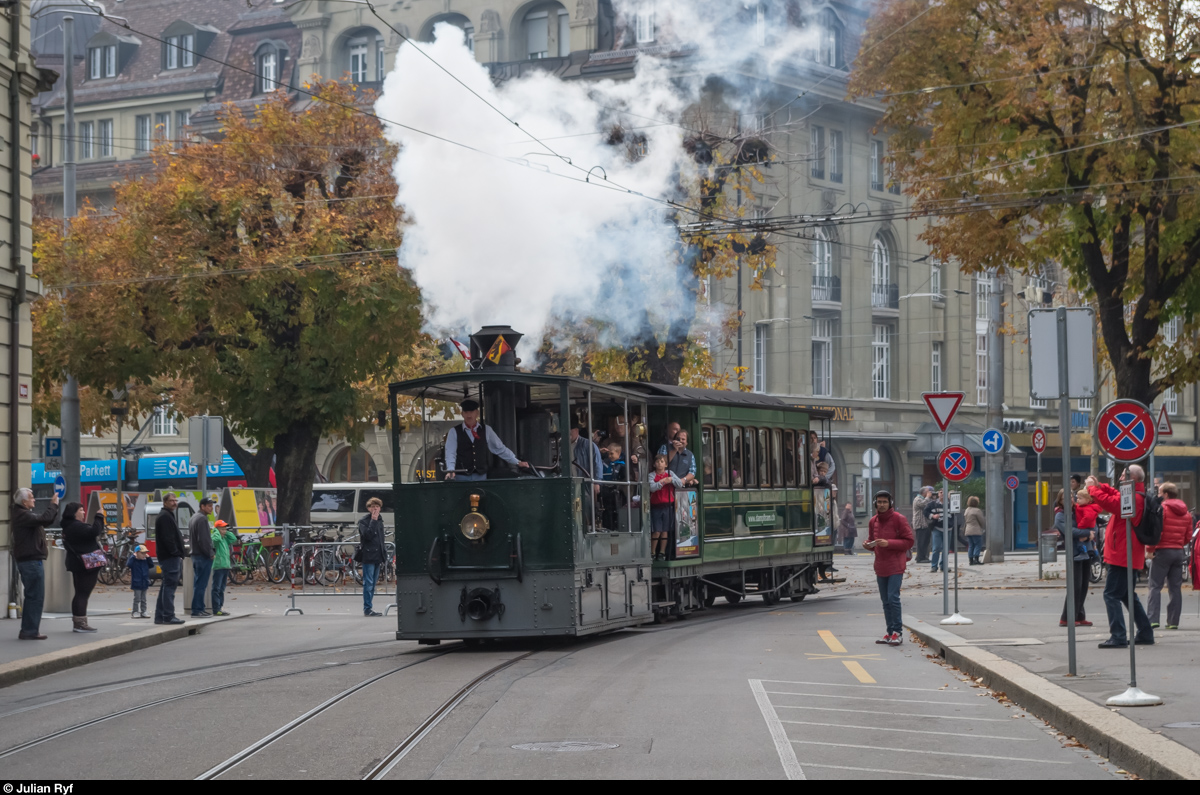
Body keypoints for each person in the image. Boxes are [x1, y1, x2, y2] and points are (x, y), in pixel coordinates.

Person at [1087, 468, 1153, 648]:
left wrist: (1093, 489)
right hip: (1126, 553)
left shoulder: (1134, 497)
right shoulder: (1135, 494)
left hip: (1122, 554)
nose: (1120, 477)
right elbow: (1115, 496)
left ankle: (1118, 635)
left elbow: (1112, 504)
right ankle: (1145, 632)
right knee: (1126, 595)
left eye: (1124, 475)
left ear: (1133, 478)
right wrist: (1102, 487)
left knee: (1111, 595)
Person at [864, 490, 914, 646]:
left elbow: (909, 541)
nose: (882, 505)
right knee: (885, 600)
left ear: (890, 503)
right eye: (879, 502)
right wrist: (868, 545)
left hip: (896, 565)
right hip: (881, 566)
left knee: (893, 598)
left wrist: (889, 543)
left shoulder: (899, 519)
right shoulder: (873, 521)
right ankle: (890, 632)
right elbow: (873, 542)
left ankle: (898, 632)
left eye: (885, 502)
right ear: (875, 503)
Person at [12, 488, 60, 640]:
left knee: (33, 596)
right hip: (31, 561)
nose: (34, 500)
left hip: (30, 560)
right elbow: (45, 519)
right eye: (32, 498)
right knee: (35, 596)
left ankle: (29, 629)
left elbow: (43, 520)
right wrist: (53, 505)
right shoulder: (23, 515)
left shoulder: (22, 514)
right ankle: (30, 630)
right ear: (24, 502)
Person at [443, 399, 527, 480]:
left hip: (480, 475)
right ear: (462, 414)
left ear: (477, 413)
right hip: (461, 476)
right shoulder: (454, 431)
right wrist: (451, 470)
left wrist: (517, 462)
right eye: (466, 412)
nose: (469, 415)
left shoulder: (487, 430)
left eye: (471, 412)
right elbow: (450, 453)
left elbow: (499, 448)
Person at [1147, 482, 1190, 630]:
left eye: (1159, 492)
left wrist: (1150, 549)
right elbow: (1188, 536)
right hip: (1178, 552)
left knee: (1155, 586)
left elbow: (1156, 530)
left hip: (1162, 551)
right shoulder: (1186, 512)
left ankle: (1152, 619)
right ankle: (1173, 622)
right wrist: (1178, 543)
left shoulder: (1162, 509)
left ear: (1165, 494)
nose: (1158, 495)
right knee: (1175, 588)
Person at [60, 503, 106, 633]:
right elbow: (94, 531)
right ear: (74, 513)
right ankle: (80, 623)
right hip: (85, 564)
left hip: (77, 563)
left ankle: (79, 622)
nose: (84, 512)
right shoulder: (75, 526)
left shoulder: (68, 526)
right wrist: (99, 516)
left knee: (80, 592)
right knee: (83, 593)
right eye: (81, 510)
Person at [1057, 489, 1098, 627]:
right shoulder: (1060, 515)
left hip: (1086, 551)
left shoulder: (1080, 510)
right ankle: (1067, 617)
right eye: (1065, 499)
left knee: (1084, 585)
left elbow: (1094, 524)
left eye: (1071, 497)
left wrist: (1089, 534)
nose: (1070, 500)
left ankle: (1079, 615)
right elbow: (1070, 530)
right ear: (1060, 501)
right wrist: (1087, 533)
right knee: (1075, 586)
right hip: (1074, 553)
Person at [153, 493, 186, 625]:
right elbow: (168, 538)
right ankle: (168, 615)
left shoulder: (166, 515)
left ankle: (160, 616)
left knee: (166, 586)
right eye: (171, 500)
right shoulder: (165, 517)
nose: (174, 502)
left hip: (168, 556)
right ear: (165, 502)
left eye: (175, 500)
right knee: (169, 587)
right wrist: (176, 552)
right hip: (170, 557)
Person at [649, 454, 683, 561]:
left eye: (662, 461)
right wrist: (662, 482)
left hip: (668, 506)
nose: (660, 463)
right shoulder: (651, 475)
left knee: (665, 530)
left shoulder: (670, 474)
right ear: (654, 464)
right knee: (657, 531)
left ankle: (662, 552)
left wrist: (671, 479)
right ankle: (652, 552)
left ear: (666, 464)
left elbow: (680, 484)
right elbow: (652, 487)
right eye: (657, 462)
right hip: (656, 506)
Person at [358, 496, 387, 617]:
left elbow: (381, 539)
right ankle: (367, 608)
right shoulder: (364, 521)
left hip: (378, 555)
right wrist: (373, 520)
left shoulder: (380, 520)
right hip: (369, 555)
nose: (375, 509)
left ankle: (369, 606)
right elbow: (367, 535)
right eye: (372, 507)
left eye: (377, 506)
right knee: (368, 583)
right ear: (369, 508)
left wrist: (384, 554)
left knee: (373, 583)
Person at [188, 498, 216, 617]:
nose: (211, 508)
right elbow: (204, 540)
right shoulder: (202, 519)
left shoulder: (194, 517)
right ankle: (198, 609)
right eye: (209, 506)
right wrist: (210, 553)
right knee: (201, 584)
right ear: (202, 506)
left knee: (198, 583)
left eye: (212, 506)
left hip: (195, 555)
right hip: (202, 556)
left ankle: (198, 608)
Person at [211, 520, 234, 617]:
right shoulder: (217, 539)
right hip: (218, 566)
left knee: (222, 588)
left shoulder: (225, 539)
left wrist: (226, 531)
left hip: (225, 566)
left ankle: (220, 607)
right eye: (222, 529)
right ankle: (216, 608)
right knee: (216, 588)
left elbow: (233, 538)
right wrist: (216, 531)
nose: (224, 531)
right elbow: (215, 539)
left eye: (225, 529)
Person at [925, 490, 947, 573]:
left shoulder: (950, 504)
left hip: (948, 529)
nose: (942, 494)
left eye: (944, 492)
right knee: (936, 548)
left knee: (946, 549)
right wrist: (933, 516)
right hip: (937, 528)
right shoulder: (932, 504)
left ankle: (943, 566)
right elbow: (925, 512)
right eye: (941, 492)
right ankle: (934, 566)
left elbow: (955, 514)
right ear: (938, 494)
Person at [127, 545, 151, 618]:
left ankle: (144, 611)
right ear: (136, 553)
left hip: (144, 582)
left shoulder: (145, 561)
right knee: (137, 598)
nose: (144, 555)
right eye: (142, 553)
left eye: (145, 553)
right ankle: (135, 611)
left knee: (144, 599)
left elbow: (151, 565)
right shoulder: (134, 561)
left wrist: (148, 558)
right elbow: (128, 564)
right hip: (136, 583)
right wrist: (133, 557)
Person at [911, 486, 934, 563]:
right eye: (928, 491)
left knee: (926, 542)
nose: (930, 493)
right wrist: (928, 497)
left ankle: (924, 557)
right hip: (920, 524)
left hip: (925, 524)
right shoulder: (917, 499)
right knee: (921, 542)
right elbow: (923, 504)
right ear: (923, 493)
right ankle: (920, 558)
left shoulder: (925, 499)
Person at [964, 495, 986, 565]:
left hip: (968, 530)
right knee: (978, 544)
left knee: (971, 545)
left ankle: (971, 560)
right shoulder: (977, 511)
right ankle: (976, 559)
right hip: (976, 530)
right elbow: (982, 521)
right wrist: (983, 527)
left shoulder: (967, 510)